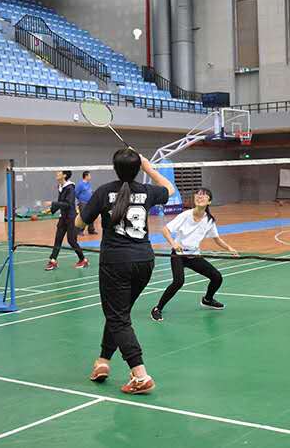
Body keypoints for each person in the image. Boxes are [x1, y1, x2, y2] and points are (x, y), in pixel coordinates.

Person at [77, 148, 174, 395]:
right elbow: (169, 189)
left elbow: (79, 224)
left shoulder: (103, 192)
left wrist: (83, 210)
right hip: (145, 261)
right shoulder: (148, 191)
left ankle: (140, 375)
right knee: (118, 313)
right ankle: (103, 361)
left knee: (118, 317)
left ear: (115, 168)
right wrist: (149, 168)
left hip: (116, 263)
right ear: (137, 168)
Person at [150, 188, 237, 322]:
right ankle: (157, 308)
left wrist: (229, 248)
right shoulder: (185, 215)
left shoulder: (209, 220)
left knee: (217, 277)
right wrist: (173, 243)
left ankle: (207, 299)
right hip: (179, 255)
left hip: (194, 256)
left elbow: (217, 239)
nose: (199, 197)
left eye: (204, 195)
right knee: (178, 282)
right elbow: (165, 229)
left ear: (209, 201)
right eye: (198, 194)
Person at [45, 170, 88, 271]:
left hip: (71, 218)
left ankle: (83, 259)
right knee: (58, 239)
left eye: (59, 172)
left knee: (71, 240)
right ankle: (53, 261)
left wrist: (52, 203)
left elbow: (68, 204)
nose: (57, 173)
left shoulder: (70, 188)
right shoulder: (61, 187)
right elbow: (61, 202)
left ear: (64, 175)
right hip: (63, 217)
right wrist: (51, 209)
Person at [75, 171, 98, 235]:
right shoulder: (80, 184)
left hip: (89, 203)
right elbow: (76, 193)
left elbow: (89, 191)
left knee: (91, 215)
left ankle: (91, 230)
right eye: (89, 175)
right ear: (86, 176)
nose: (90, 177)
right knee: (83, 217)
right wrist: (81, 200)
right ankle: (80, 231)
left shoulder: (88, 184)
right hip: (83, 203)